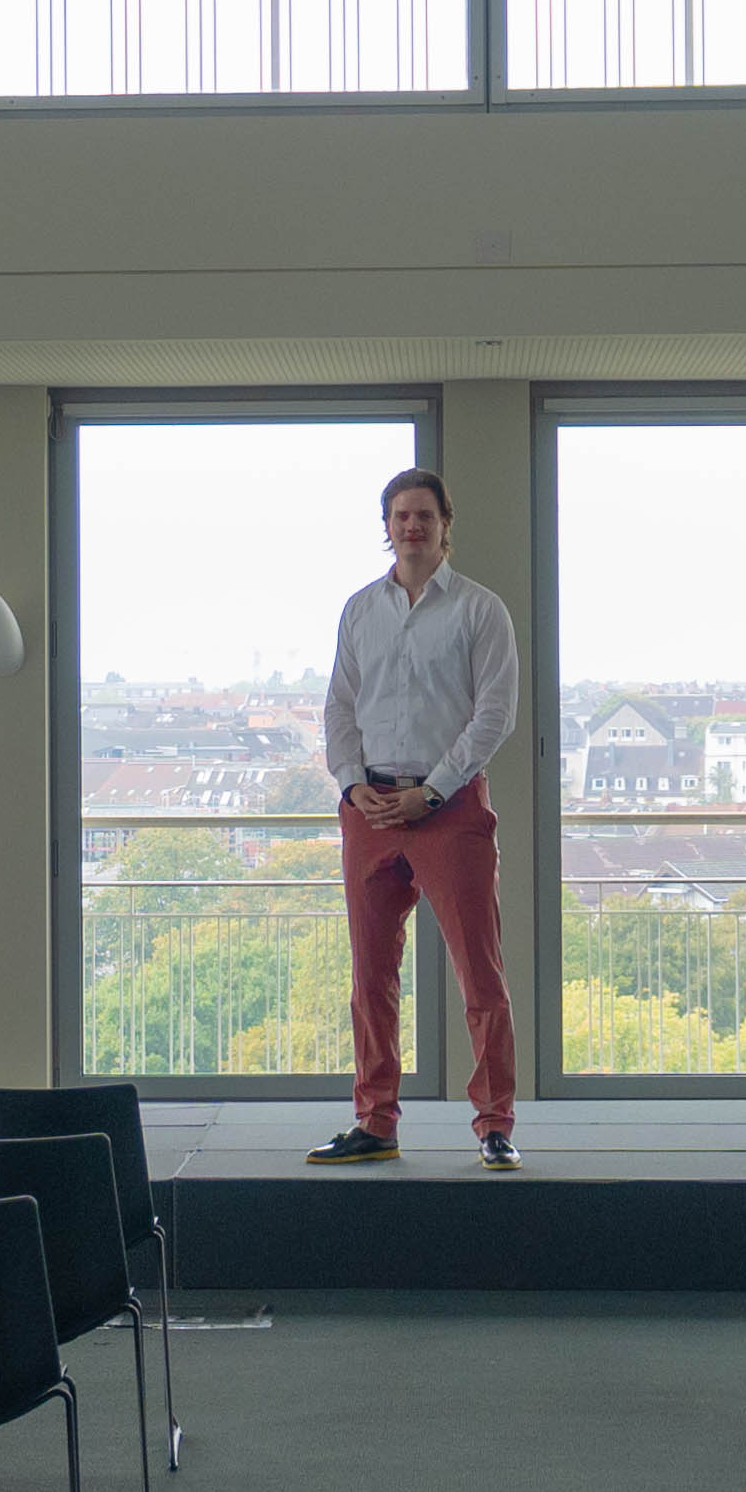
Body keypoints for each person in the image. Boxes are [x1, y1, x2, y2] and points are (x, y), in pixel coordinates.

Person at [313, 466, 521, 1170]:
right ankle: (375, 1121)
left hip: (450, 809)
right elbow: (339, 706)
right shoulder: (359, 610)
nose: (412, 526)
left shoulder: (480, 610)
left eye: (424, 515)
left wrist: (432, 792)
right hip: (369, 809)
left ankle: (495, 1124)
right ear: (387, 526)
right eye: (401, 515)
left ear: (444, 524)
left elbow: (495, 714)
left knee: (480, 976)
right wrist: (351, 784)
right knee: (370, 978)